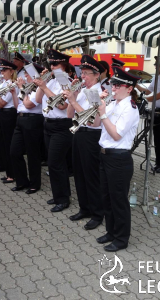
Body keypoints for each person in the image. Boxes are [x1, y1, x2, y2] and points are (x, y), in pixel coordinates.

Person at [93, 66, 140, 252]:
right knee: (106, 197)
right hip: (105, 155)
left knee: (119, 200)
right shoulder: (112, 103)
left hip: (119, 159)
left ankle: (121, 238)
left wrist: (103, 113)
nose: (114, 87)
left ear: (129, 89)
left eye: (119, 85)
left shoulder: (130, 108)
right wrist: (98, 107)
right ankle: (111, 232)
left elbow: (116, 135)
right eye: (114, 83)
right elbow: (96, 124)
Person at [65, 55, 105, 230]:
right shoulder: (82, 90)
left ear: (96, 75)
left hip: (91, 136)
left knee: (91, 176)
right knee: (79, 173)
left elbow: (93, 122)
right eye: (82, 73)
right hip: (78, 133)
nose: (83, 77)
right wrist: (72, 97)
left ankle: (97, 214)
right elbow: (68, 115)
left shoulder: (98, 92)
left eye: (87, 73)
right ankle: (84, 208)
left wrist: (74, 101)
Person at [35, 49, 73, 212]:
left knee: (55, 163)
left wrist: (45, 86)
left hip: (61, 125)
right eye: (50, 64)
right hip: (48, 123)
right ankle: (59, 195)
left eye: (55, 64)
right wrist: (41, 82)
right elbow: (37, 100)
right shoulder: (50, 81)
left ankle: (63, 199)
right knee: (55, 164)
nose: (52, 66)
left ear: (63, 65)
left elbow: (62, 105)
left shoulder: (67, 82)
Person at [10, 63, 45, 194]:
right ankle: (22, 181)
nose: (24, 76)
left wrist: (21, 88)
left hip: (33, 120)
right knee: (14, 151)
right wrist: (15, 92)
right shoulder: (25, 87)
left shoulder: (39, 88)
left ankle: (34, 184)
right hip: (20, 118)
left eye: (27, 74)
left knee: (32, 154)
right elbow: (16, 105)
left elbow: (29, 104)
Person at [0, 59, 18, 184]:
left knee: (8, 145)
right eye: (1, 70)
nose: (2, 72)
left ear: (11, 71)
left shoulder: (11, 84)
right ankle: (9, 172)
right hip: (0, 115)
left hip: (8, 115)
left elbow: (2, 103)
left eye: (4, 70)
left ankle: (12, 174)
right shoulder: (3, 83)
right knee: (2, 144)